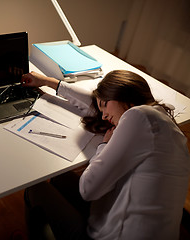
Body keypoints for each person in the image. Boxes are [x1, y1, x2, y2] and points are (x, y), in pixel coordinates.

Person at [21, 70, 190, 240]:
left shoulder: (138, 116)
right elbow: (98, 103)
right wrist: (48, 82)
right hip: (136, 224)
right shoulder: (163, 123)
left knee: (35, 187)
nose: (103, 115)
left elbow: (88, 189)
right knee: (60, 178)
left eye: (103, 105)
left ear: (121, 94)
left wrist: (104, 145)